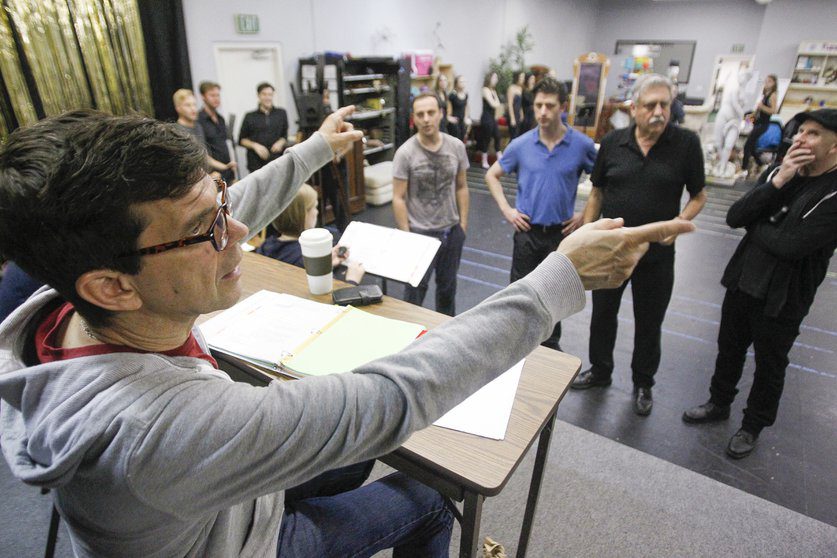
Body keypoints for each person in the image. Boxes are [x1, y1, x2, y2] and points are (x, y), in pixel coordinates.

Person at [0, 106, 694, 557]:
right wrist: (556, 283)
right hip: (244, 542)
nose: (237, 233)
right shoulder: (158, 429)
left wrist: (309, 153)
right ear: (111, 285)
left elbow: (219, 211)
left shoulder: (70, 303)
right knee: (428, 493)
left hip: (209, 506)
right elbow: (386, 401)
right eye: (208, 228)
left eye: (219, 208)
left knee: (359, 459)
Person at [683, 109, 837, 459]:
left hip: (783, 297)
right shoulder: (780, 172)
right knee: (728, 349)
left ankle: (753, 425)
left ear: (833, 146)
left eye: (812, 134)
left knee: (770, 364)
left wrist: (758, 223)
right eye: (800, 132)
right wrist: (778, 181)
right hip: (743, 281)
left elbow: (792, 246)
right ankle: (718, 402)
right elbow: (735, 216)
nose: (799, 138)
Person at [573, 74, 707, 416]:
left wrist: (677, 226)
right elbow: (598, 191)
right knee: (603, 314)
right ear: (634, 109)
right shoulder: (614, 142)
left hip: (657, 255)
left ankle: (643, 382)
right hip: (612, 251)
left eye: (665, 104)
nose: (659, 112)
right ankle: (600, 370)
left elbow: (699, 195)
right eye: (651, 105)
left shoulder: (686, 144)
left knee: (650, 322)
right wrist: (588, 234)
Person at [485, 77, 597, 351]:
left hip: (560, 235)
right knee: (520, 293)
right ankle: (517, 345)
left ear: (563, 107)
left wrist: (585, 216)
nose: (543, 112)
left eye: (549, 105)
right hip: (526, 233)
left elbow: (601, 183)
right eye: (538, 106)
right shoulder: (521, 144)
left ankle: (550, 348)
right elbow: (492, 175)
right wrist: (507, 210)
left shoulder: (581, 146)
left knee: (555, 295)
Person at [393, 93, 469, 316]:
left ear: (441, 114)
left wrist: (462, 225)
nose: (426, 119)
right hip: (420, 234)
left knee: (447, 291)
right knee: (414, 292)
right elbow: (398, 197)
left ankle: (445, 338)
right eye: (420, 114)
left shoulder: (456, 147)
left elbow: (462, 186)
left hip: (451, 233)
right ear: (414, 119)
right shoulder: (405, 153)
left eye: (431, 113)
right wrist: (407, 234)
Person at [256, 183, 364, 283]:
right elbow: (328, 299)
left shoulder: (266, 246)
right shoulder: (305, 257)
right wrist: (352, 281)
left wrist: (324, 264)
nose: (316, 212)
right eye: (314, 207)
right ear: (304, 215)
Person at [173, 88, 235, 177]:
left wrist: (225, 167)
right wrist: (208, 178)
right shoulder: (176, 131)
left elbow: (204, 156)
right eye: (188, 105)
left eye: (194, 104)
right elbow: (185, 166)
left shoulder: (198, 126)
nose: (193, 109)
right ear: (178, 108)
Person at [239, 82, 289, 174]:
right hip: (256, 163)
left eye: (270, 94)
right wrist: (255, 146)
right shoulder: (249, 116)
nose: (267, 97)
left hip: (277, 160)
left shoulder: (281, 113)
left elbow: (285, 136)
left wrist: (280, 142)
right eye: (264, 94)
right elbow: (241, 140)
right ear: (258, 95)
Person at [712, 70, 751, 177]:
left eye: (745, 77)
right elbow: (735, 104)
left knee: (729, 145)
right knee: (718, 143)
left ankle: (723, 167)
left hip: (735, 121)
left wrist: (746, 121)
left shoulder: (745, 94)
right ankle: (721, 165)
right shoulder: (734, 90)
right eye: (741, 76)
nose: (742, 79)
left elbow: (747, 113)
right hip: (724, 116)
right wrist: (744, 117)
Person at [197, 81, 237, 184]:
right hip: (213, 174)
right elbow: (201, 151)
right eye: (212, 95)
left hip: (228, 170)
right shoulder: (198, 120)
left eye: (218, 95)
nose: (216, 98)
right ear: (203, 96)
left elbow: (226, 144)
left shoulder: (221, 119)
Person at [742, 74, 778, 175]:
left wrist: (762, 107)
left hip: (763, 124)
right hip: (757, 121)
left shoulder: (773, 95)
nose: (767, 83)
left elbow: (773, 110)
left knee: (747, 146)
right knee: (752, 147)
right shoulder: (765, 94)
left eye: (770, 81)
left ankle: (743, 168)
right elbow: (757, 111)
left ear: (774, 83)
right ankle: (760, 163)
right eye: (766, 81)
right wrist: (751, 116)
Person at [478, 71, 503, 169]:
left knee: (497, 136)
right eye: (494, 78)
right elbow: (494, 104)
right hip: (486, 118)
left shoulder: (493, 91)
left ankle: (500, 158)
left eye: (496, 78)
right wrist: (496, 103)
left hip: (492, 118)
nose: (496, 80)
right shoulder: (485, 90)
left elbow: (498, 103)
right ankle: (484, 160)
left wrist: (496, 102)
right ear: (489, 78)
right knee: (486, 139)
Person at [447, 75, 470, 142]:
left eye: (464, 81)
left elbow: (466, 107)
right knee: (455, 140)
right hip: (455, 121)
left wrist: (466, 117)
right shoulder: (452, 95)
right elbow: (448, 108)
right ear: (456, 83)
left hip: (462, 121)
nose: (463, 83)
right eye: (461, 81)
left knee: (462, 139)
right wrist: (448, 117)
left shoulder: (466, 95)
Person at [507, 71, 525, 140]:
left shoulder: (520, 88)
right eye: (521, 77)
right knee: (513, 135)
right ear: (517, 77)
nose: (523, 79)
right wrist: (512, 118)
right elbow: (510, 104)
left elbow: (519, 104)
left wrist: (521, 113)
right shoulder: (511, 88)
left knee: (517, 135)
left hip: (518, 114)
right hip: (512, 114)